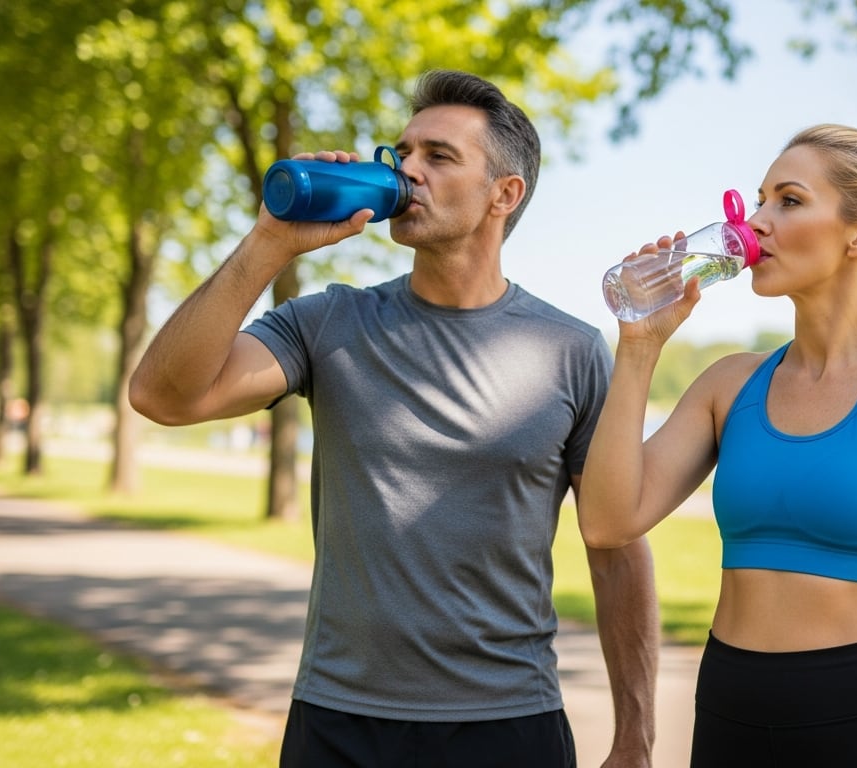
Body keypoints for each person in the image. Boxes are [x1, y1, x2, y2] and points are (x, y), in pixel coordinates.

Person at [129, 70, 658, 768]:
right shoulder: (329, 322)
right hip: (340, 722)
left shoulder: (569, 351)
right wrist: (269, 243)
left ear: (505, 194)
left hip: (507, 726)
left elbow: (616, 550)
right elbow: (164, 396)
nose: (406, 169)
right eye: (402, 152)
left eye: (438, 156)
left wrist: (635, 736)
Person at [579, 124, 857, 767]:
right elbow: (609, 521)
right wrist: (638, 347)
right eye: (759, 200)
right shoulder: (730, 384)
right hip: (730, 717)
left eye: (789, 200)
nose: (756, 223)